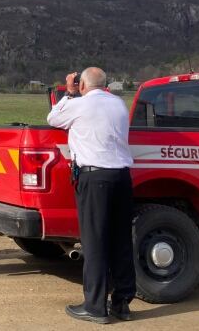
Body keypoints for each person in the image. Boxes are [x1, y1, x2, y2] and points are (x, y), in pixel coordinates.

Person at [47, 68, 136, 324]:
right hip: (121, 176)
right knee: (120, 240)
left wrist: (69, 93)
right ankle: (122, 303)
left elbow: (53, 118)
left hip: (95, 178)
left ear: (83, 84)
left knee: (94, 241)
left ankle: (95, 306)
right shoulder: (118, 103)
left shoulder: (82, 104)